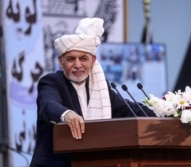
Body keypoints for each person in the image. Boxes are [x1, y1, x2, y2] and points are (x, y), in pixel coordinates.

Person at [30, 17, 155, 167]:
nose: (77, 65)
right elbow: (48, 104)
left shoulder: (101, 90)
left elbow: (132, 110)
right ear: (61, 62)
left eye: (83, 58)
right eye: (71, 59)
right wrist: (67, 114)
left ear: (93, 60)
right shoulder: (51, 82)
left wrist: (166, 113)